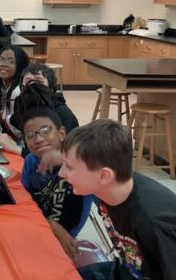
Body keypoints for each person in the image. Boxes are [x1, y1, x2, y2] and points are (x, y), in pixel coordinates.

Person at [60, 119, 176, 280]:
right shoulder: (107, 188)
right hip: (125, 270)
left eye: (69, 167)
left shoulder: (154, 221)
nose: (61, 173)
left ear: (104, 175)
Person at [19, 107, 92, 259]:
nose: (38, 139)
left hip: (66, 241)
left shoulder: (82, 165)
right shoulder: (30, 162)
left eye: (45, 130)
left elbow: (105, 155)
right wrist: (50, 224)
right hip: (38, 227)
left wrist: (66, 158)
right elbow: (26, 202)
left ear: (61, 133)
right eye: (30, 135)